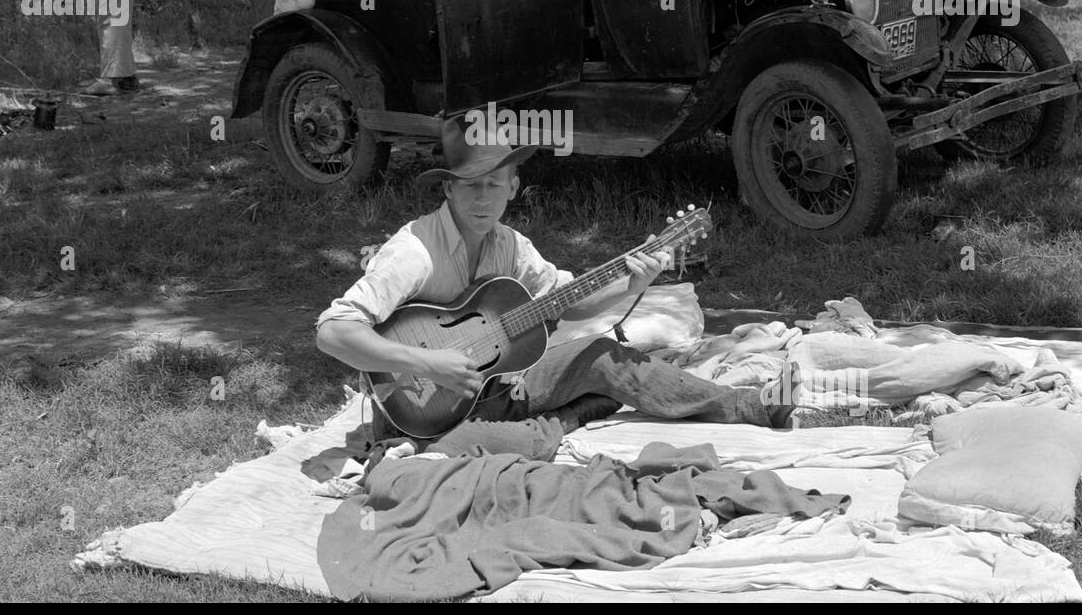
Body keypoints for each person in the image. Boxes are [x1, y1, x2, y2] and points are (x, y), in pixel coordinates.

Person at [315, 117, 789, 464]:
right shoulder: (415, 250)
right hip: (414, 411)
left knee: (604, 354)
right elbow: (332, 332)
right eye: (470, 185)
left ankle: (748, 406)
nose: (482, 198)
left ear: (513, 186)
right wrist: (427, 362)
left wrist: (634, 280)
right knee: (528, 448)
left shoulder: (511, 246)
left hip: (495, 391)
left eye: (494, 184)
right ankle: (558, 421)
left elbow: (568, 300)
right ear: (448, 190)